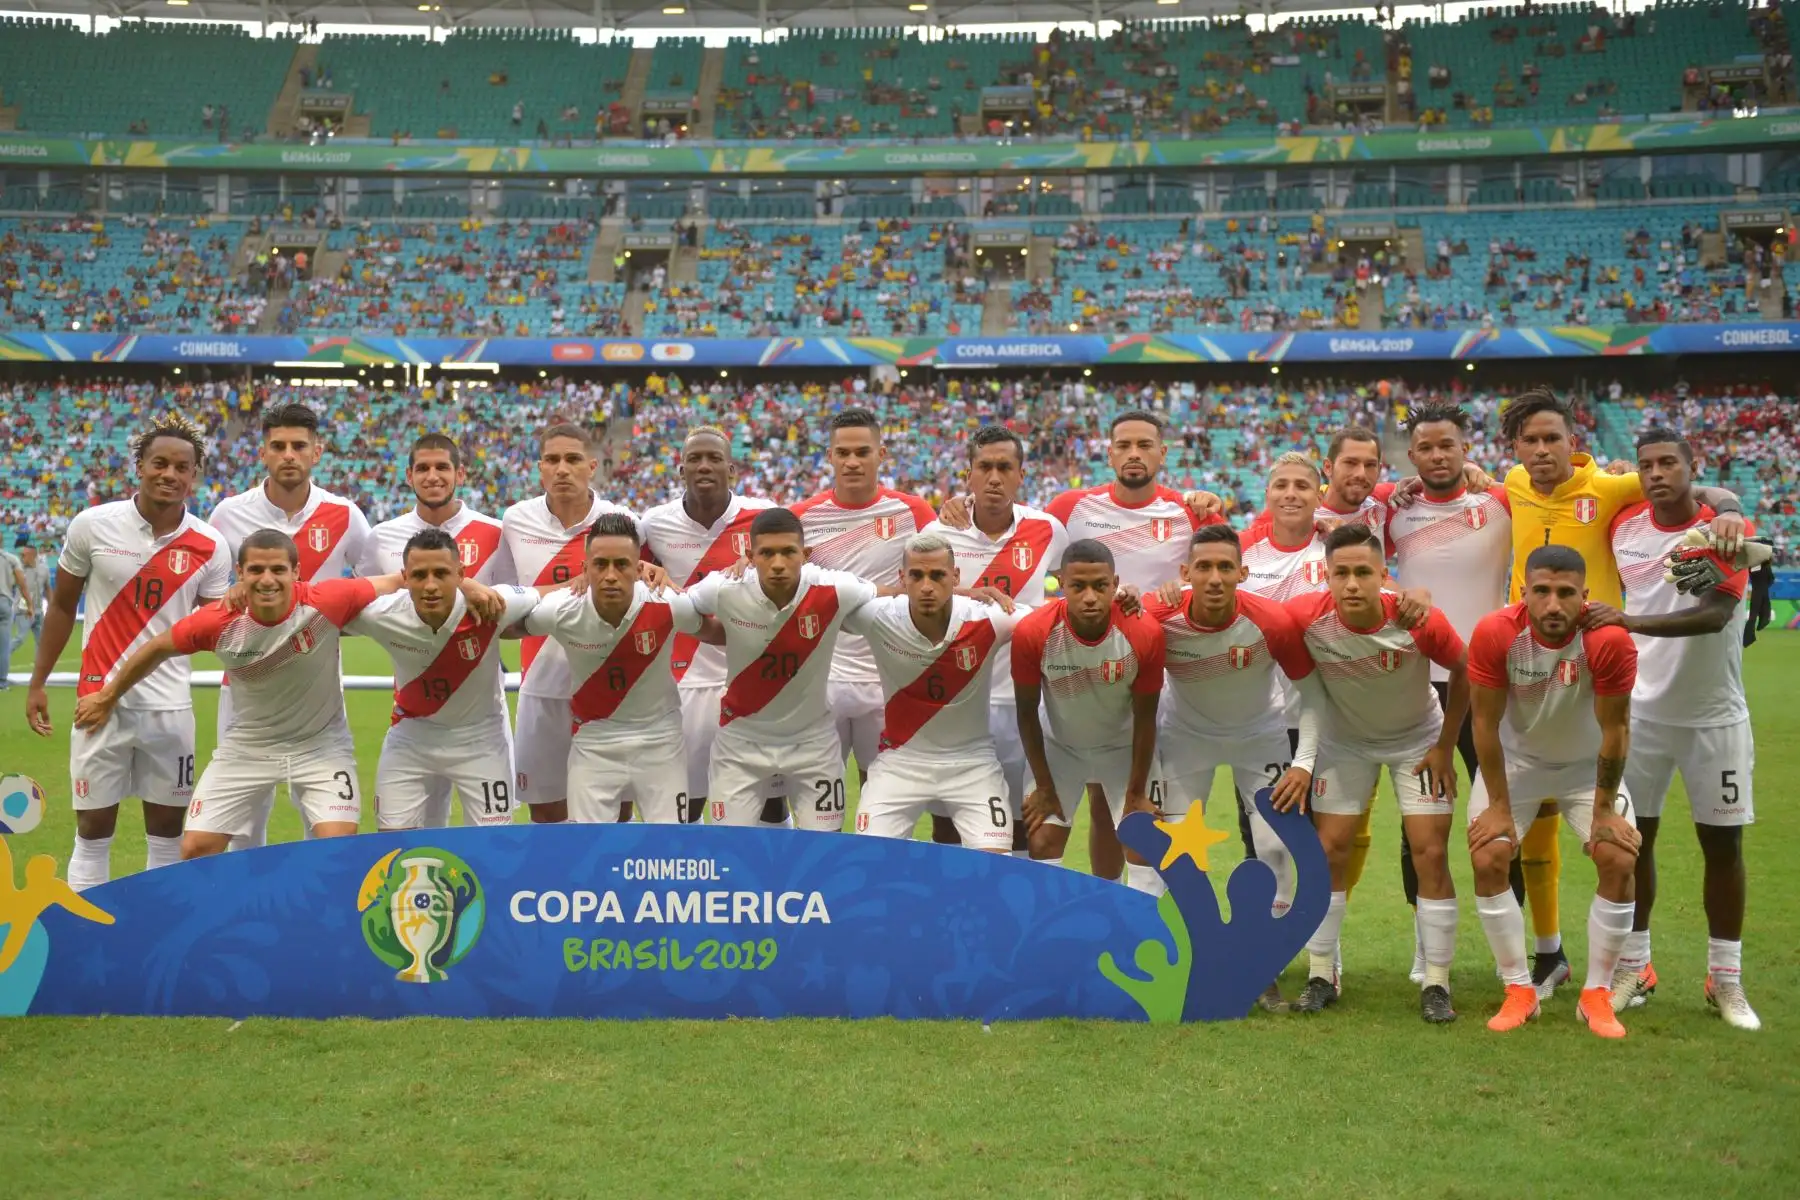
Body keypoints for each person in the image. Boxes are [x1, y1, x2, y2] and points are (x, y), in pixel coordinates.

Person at [1482, 389, 1742, 1000]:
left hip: (1600, 666)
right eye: (1531, 440)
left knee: (1614, 833)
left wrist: (1728, 505)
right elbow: (1467, 489)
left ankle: (1620, 969)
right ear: (1515, 448)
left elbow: (1684, 488)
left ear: (1576, 442)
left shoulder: (1612, 487)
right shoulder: (1511, 484)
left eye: (1554, 438)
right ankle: (1550, 957)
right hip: (1528, 662)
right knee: (1537, 821)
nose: (1543, 450)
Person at [74, 532, 415, 860]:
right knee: (195, 849)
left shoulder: (328, 599)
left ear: (296, 572)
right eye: (256, 570)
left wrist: (469, 586)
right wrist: (108, 696)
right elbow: (156, 648)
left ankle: (311, 918)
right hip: (249, 747)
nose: (267, 580)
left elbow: (400, 580)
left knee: (338, 850)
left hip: (321, 748)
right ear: (240, 573)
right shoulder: (217, 621)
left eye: (278, 569)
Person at [1584, 428, 1759, 1029]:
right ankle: (1637, 966)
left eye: (1669, 463)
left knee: (1723, 846)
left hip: (1715, 718)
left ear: (1692, 467)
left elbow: (1715, 615)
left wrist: (1629, 620)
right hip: (1640, 714)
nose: (1657, 473)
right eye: (1646, 465)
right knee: (1637, 842)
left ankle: (1726, 980)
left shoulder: (1722, 529)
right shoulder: (1624, 524)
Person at [24, 414, 230, 891]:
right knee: (93, 832)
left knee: (165, 835)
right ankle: (87, 939)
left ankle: (152, 943)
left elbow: (217, 628)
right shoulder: (92, 526)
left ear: (194, 475)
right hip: (97, 707)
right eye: (159, 463)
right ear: (138, 465)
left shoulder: (210, 545)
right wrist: (37, 683)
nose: (170, 475)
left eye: (182, 467)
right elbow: (60, 605)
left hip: (170, 709)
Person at [1276, 525, 1470, 1022]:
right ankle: (1322, 972)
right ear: (1327, 575)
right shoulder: (1305, 617)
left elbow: (1466, 670)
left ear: (1385, 575)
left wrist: (1446, 748)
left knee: (1429, 851)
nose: (1352, 583)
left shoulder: (1417, 619)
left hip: (1418, 742)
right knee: (1328, 851)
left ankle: (1437, 983)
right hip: (1345, 745)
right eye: (1341, 573)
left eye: (1364, 572)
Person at [1466, 545, 1639, 1038]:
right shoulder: (1496, 632)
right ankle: (1519, 989)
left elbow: (1616, 729)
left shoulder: (1608, 640)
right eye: (1541, 591)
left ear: (1586, 595)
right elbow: (1483, 721)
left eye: (1566, 593)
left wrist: (1605, 810)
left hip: (1587, 768)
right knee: (1488, 857)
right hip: (1518, 764)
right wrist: (1498, 807)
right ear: (1524, 592)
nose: (1553, 605)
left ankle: (1597, 994)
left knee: (1619, 858)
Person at [1387, 402, 1522, 981]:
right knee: (1420, 825)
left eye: (1448, 445)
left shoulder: (1500, 501)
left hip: (1494, 685)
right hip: (1420, 688)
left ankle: (1513, 955)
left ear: (1466, 449)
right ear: (1412, 456)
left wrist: (1729, 508)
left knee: (1502, 815)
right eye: (1426, 448)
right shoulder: (1392, 511)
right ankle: (1427, 943)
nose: (1438, 456)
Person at [208, 402, 372, 851]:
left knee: (321, 826)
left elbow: (375, 588)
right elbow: (211, 595)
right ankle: (244, 918)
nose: (288, 455)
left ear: (316, 451)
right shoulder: (227, 516)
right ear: (262, 452)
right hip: (244, 687)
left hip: (318, 690)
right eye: (278, 446)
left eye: (299, 446)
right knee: (241, 828)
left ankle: (308, 921)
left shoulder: (345, 515)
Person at [1143, 523, 1323, 920]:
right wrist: (1125, 598)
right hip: (1185, 738)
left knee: (1275, 846)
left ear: (1243, 574)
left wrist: (1304, 763)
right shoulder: (1156, 614)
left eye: (1225, 567)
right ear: (1185, 573)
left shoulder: (1272, 622)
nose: (1214, 578)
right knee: (1175, 849)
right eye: (1203, 567)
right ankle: (1179, 945)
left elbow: (1313, 695)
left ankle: (1266, 955)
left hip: (1260, 738)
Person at [922, 425, 1069, 854]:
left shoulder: (1047, 530)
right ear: (967, 474)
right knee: (949, 823)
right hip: (956, 699)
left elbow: (1082, 579)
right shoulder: (936, 535)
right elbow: (914, 597)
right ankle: (950, 909)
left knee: (1023, 817)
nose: (994, 477)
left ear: (1021, 474)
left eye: (1004, 467)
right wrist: (966, 592)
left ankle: (1017, 913)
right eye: (984, 467)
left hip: (1023, 700)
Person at [356, 433, 514, 829]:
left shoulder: (495, 532)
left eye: (442, 467)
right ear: (408, 476)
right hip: (415, 708)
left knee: (493, 839)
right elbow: (368, 599)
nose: (433, 476)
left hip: (482, 710)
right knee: (415, 838)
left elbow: (511, 600)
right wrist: (465, 584)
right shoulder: (382, 537)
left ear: (460, 472)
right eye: (423, 468)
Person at [685, 508, 877, 830]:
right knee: (731, 851)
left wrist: (961, 596)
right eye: (767, 553)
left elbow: (895, 601)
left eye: (788, 552)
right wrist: (726, 631)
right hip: (740, 744)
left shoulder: (834, 587)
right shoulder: (724, 587)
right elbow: (683, 610)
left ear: (806, 554)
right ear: (750, 555)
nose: (777, 563)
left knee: (824, 850)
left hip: (813, 744)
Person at [346, 528, 542, 831]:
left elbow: (546, 594)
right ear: (405, 577)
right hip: (411, 740)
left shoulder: (492, 604)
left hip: (480, 741)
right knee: (391, 846)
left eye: (441, 573)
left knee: (495, 849)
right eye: (419, 575)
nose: (430, 586)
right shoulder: (381, 614)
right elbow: (321, 604)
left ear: (460, 574)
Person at [500, 423, 642, 824]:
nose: (562, 469)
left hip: (610, 690)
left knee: (616, 811)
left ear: (592, 466)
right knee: (546, 811)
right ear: (540, 467)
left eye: (573, 459)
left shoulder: (622, 520)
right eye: (553, 460)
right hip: (542, 686)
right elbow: (510, 599)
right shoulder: (515, 521)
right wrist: (565, 589)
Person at [523, 514, 706, 824]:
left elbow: (714, 626)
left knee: (669, 849)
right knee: (588, 853)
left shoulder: (669, 603)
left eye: (621, 565)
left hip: (660, 743)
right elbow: (509, 622)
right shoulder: (561, 608)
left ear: (639, 569)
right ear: (585, 569)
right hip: (594, 745)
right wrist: (471, 591)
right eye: (600, 564)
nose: (610, 575)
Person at [844, 532, 1020, 851]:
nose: (927, 586)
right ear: (902, 578)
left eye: (938, 576)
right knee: (869, 864)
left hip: (972, 763)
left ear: (954, 576)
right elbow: (809, 599)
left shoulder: (989, 618)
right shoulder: (878, 616)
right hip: (900, 762)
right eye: (917, 576)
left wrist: (1119, 594)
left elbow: (1053, 618)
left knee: (996, 869)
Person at [790, 409, 937, 790]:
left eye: (862, 452)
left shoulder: (914, 512)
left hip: (888, 675)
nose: (852, 461)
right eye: (843, 453)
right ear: (830, 456)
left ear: (881, 454)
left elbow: (941, 580)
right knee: (818, 794)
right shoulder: (801, 519)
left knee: (884, 796)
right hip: (824, 678)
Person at [1011, 539, 1165, 893]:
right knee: (1042, 843)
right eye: (1078, 587)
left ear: (1116, 584)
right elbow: (1026, 713)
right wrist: (1045, 788)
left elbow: (1145, 718)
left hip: (1122, 751)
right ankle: (1048, 939)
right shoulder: (1033, 632)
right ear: (1061, 584)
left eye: (1100, 586)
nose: (1090, 597)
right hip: (1059, 749)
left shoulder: (1144, 632)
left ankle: (1137, 936)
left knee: (1143, 843)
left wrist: (1137, 792)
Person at [639, 427, 774, 825]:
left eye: (714, 458)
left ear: (731, 468)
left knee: (767, 802)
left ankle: (768, 883)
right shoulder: (655, 524)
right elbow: (634, 575)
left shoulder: (762, 517)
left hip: (752, 677)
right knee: (688, 802)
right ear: (680, 469)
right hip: (684, 682)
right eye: (695, 458)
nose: (704, 465)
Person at [13, 537, 50, 657]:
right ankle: (3, 656)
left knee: (42, 642)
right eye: (22, 554)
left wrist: (52, 605)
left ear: (33, 555)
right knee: (20, 638)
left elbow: (48, 588)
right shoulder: (17, 569)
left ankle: (38, 667)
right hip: (24, 610)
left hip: (38, 610)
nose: (22, 557)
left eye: (25, 554)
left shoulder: (44, 568)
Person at [0, 540, 23, 688]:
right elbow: (22, 583)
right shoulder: (11, 559)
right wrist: (29, 603)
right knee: (3, 645)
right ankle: (1, 682)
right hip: (4, 601)